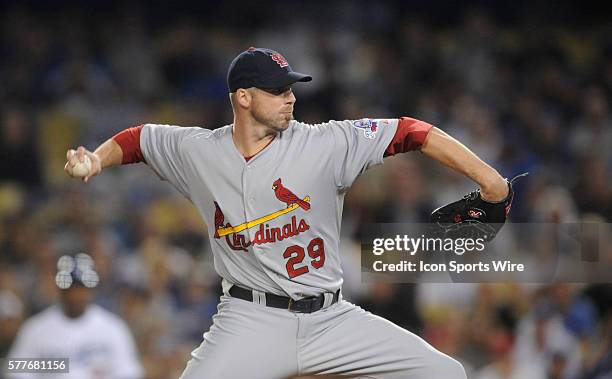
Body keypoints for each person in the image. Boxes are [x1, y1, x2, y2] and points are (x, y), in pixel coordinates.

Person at [64, 47, 511, 378]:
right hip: (250, 319)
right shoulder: (198, 151)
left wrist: (490, 181)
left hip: (331, 318)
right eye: (277, 90)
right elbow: (139, 139)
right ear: (243, 97)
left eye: (291, 88)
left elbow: (412, 131)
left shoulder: (324, 143)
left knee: (445, 374)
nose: (290, 98)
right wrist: (97, 160)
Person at [7, 254, 143, 379]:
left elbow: (128, 373)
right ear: (59, 288)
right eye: (71, 288)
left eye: (82, 288)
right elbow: (18, 373)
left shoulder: (113, 328)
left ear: (91, 289)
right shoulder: (35, 330)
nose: (76, 294)